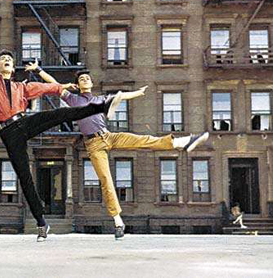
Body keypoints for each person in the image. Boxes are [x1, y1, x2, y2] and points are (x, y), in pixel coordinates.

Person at [0, 14, 124, 242]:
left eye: (9, 59)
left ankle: (102, 106)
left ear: (13, 67)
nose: (7, 60)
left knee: (60, 113)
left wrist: (61, 86)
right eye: (3, 59)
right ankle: (42, 224)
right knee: (25, 177)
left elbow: (46, 89)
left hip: (24, 122)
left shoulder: (20, 87)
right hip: (8, 133)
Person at [28, 66, 210, 240]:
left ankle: (182, 142)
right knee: (106, 180)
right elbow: (54, 84)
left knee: (143, 140)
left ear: (91, 83)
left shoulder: (100, 98)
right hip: (93, 144)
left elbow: (121, 97)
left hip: (109, 136)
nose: (85, 79)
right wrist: (38, 70)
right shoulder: (73, 99)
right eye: (82, 78)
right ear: (78, 84)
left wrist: (139, 93)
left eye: (87, 78)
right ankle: (118, 221)